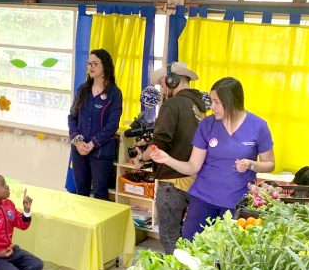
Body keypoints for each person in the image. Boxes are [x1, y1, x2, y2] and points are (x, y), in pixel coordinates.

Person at [149, 77, 275, 239]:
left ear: (231, 102)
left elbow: (270, 164)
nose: (211, 106)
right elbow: (192, 167)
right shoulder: (207, 125)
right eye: (211, 101)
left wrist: (252, 165)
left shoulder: (258, 126)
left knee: (225, 254)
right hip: (203, 199)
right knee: (190, 247)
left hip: (236, 203)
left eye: (216, 102)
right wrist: (166, 159)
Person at [136, 62, 207, 253]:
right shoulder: (199, 106)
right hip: (193, 179)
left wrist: (141, 157)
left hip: (172, 182)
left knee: (169, 237)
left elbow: (159, 144)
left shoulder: (172, 104)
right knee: (188, 236)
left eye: (162, 83)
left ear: (172, 80)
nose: (162, 89)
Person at [67, 49, 122, 200]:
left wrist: (92, 144)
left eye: (95, 63)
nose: (91, 67)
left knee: (100, 193)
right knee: (81, 192)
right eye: (89, 64)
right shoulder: (83, 90)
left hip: (101, 152)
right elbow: (72, 117)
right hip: (79, 149)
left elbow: (112, 126)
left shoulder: (114, 93)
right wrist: (78, 141)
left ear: (105, 66)